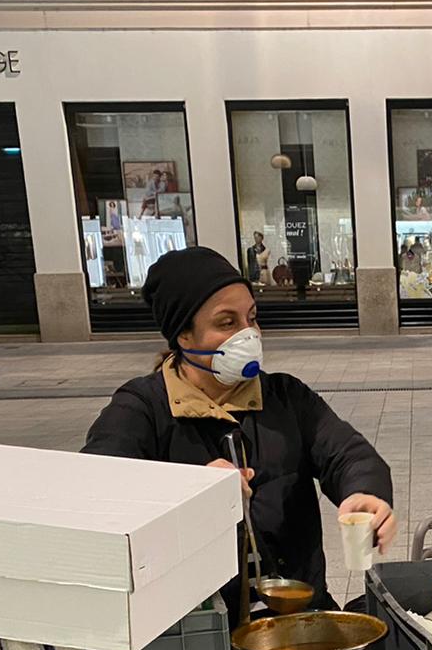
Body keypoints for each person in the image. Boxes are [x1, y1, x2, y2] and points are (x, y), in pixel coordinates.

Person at [82, 246, 395, 612]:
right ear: (183, 335)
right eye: (226, 323)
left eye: (251, 318)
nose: (248, 335)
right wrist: (187, 491)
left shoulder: (285, 397)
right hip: (198, 630)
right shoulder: (142, 408)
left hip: (298, 614)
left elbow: (347, 453)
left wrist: (365, 491)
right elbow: (97, 486)